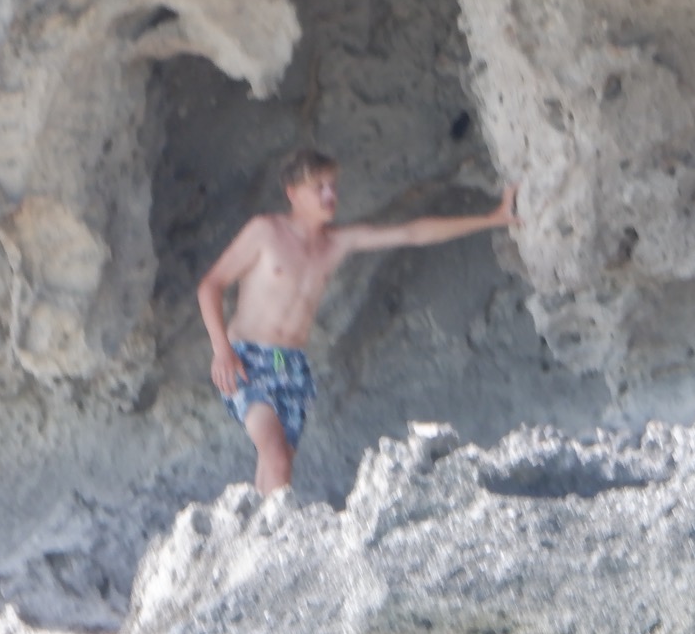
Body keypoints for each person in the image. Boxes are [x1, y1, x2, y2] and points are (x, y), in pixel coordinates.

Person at [197, 148, 519, 494]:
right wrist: (222, 350)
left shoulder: (337, 242)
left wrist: (493, 219)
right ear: (293, 194)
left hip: (289, 363)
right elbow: (210, 285)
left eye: (333, 186)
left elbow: (412, 233)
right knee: (275, 457)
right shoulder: (265, 231)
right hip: (247, 358)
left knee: (280, 463)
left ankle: (261, 523)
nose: (330, 195)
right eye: (318, 188)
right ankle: (269, 525)